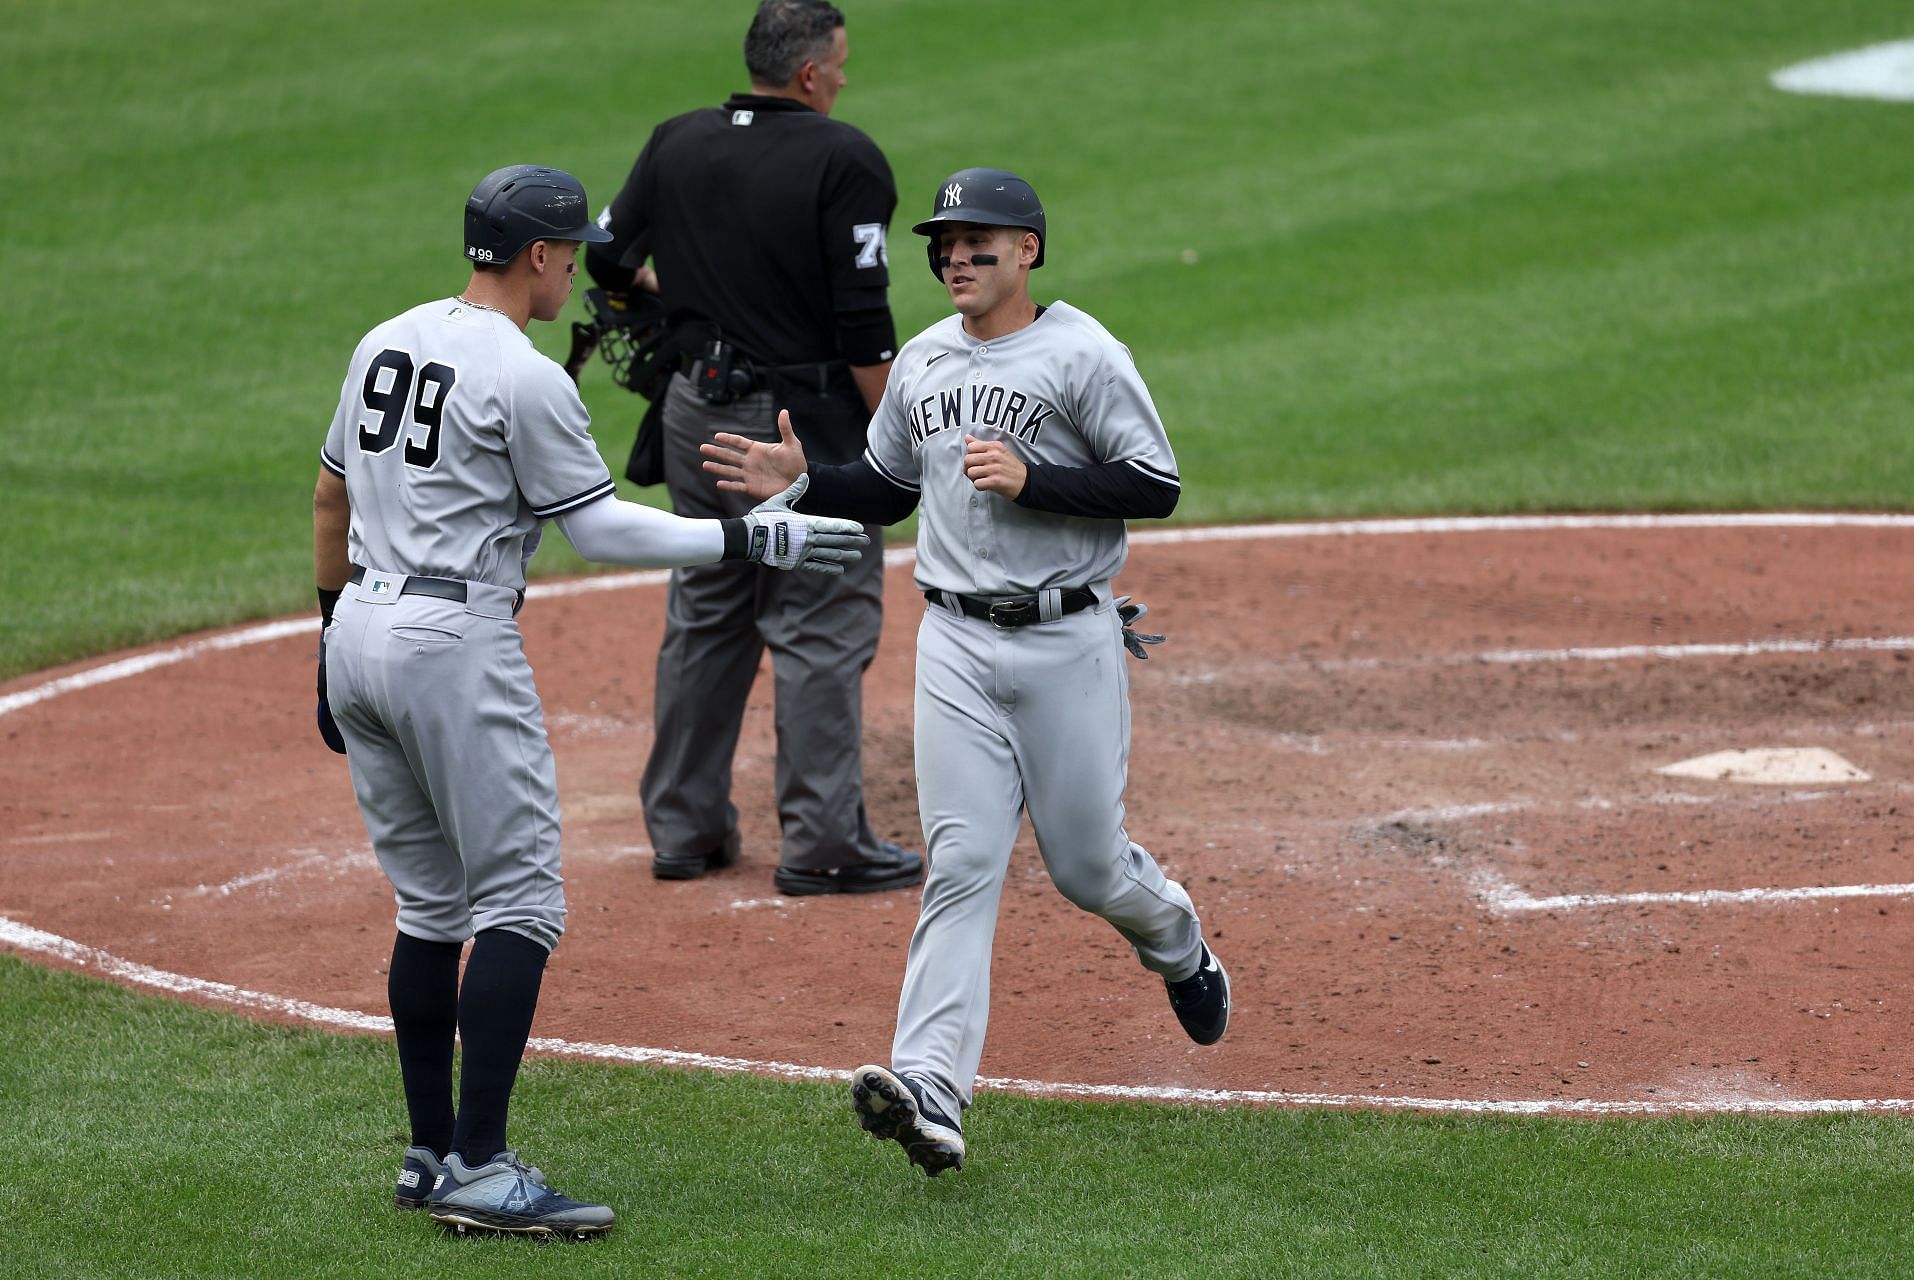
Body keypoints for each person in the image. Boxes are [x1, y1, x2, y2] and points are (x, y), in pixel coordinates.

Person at [310, 164, 868, 1235]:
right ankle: (480, 1164)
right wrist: (754, 534)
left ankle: (429, 1153)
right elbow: (601, 528)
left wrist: (325, 639)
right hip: (449, 640)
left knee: (430, 905)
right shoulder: (523, 377)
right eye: (571, 251)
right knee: (519, 903)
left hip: (362, 627)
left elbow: (332, 491)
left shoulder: (382, 337)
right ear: (535, 256)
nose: (582, 267)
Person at [700, 168, 1231, 1176]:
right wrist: (808, 480)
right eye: (943, 241)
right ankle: (931, 1093)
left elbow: (1152, 483)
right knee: (961, 863)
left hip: (1067, 637)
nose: (955, 255)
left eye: (977, 239)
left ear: (1028, 248)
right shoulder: (926, 361)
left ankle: (1178, 943)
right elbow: (892, 488)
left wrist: (1038, 483)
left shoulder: (1083, 352)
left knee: (1085, 865)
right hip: (953, 642)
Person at [585, 0, 922, 896]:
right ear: (810, 73)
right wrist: (900, 443)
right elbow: (863, 327)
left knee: (711, 604)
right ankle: (823, 841)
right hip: (794, 426)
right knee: (820, 618)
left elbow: (609, 258)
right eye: (840, 64)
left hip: (699, 410)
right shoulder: (845, 158)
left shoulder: (677, 141)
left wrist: (681, 289)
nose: (845, 78)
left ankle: (684, 831)